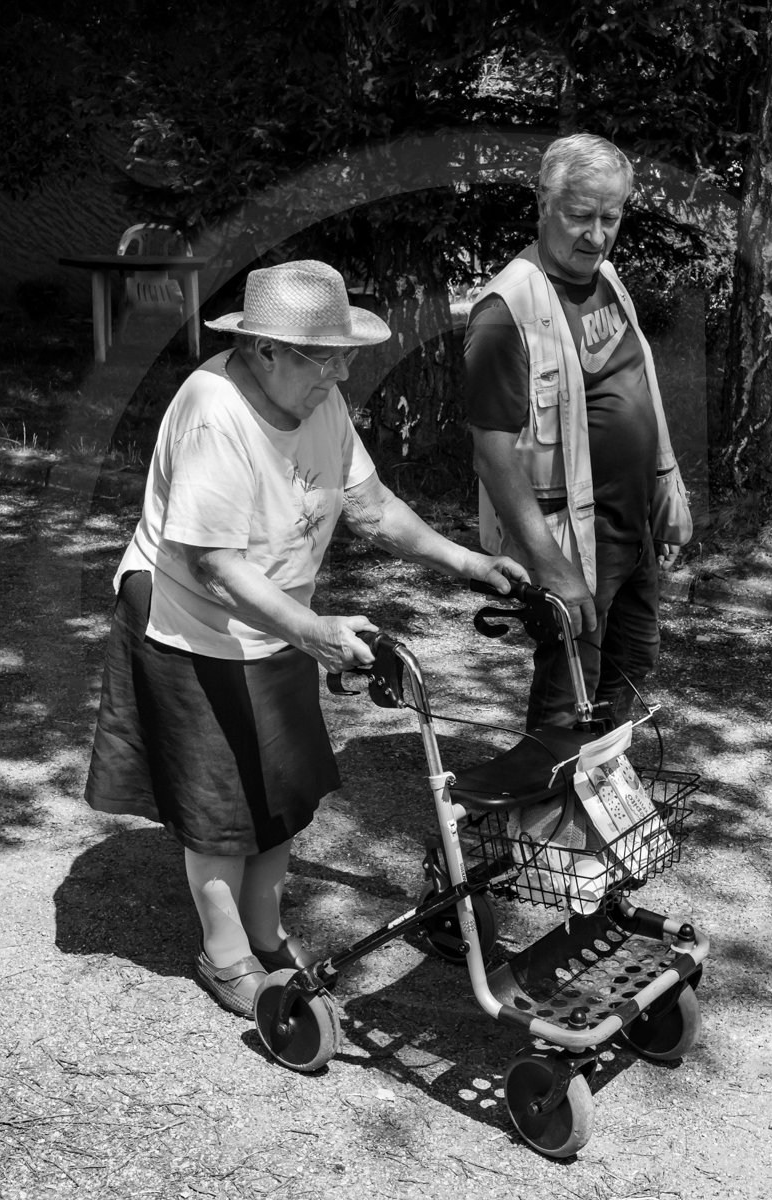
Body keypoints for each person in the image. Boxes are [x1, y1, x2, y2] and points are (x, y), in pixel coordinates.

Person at [84, 260, 527, 1016]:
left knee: (281, 789)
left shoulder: (316, 399)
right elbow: (212, 565)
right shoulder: (214, 409)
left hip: (280, 616)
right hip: (193, 622)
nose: (344, 371)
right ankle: (225, 952)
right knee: (220, 801)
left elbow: (372, 508)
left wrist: (469, 561)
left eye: (345, 352)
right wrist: (312, 631)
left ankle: (264, 931)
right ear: (265, 351)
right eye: (326, 356)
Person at [465, 132, 693, 731]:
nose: (596, 235)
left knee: (631, 664)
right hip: (574, 539)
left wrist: (665, 494)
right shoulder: (503, 311)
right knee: (572, 687)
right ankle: (546, 819)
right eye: (580, 217)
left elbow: (637, 386)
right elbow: (491, 456)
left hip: (631, 523)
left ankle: (597, 798)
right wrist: (549, 565)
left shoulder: (608, 279)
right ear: (543, 203)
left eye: (611, 217)